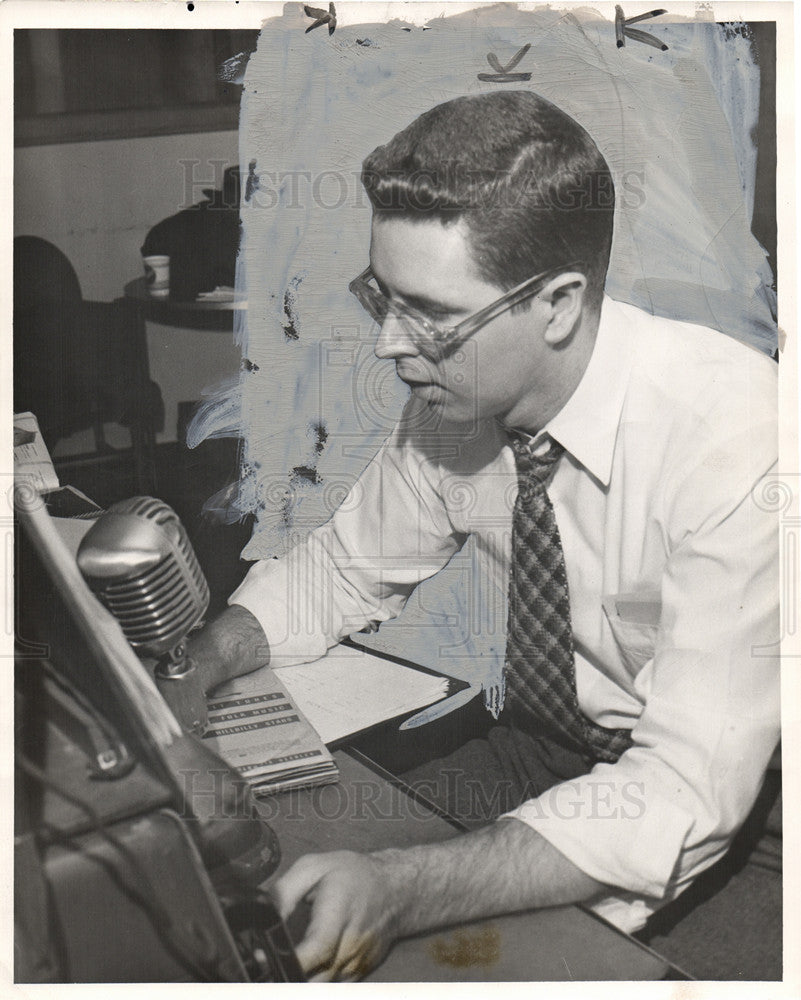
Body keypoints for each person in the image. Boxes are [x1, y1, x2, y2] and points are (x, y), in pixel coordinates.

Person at [189, 91, 779, 982]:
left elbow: (684, 793)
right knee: (268, 860)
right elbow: (344, 570)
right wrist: (204, 661)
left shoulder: (743, 442)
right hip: (549, 744)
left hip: (751, 813)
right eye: (380, 298)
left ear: (556, 303)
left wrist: (401, 887)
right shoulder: (459, 399)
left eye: (429, 313)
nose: (391, 344)